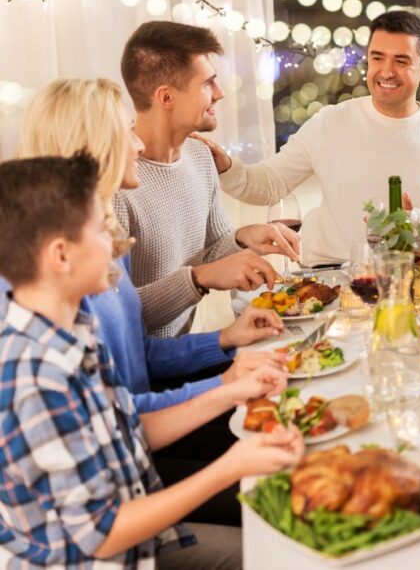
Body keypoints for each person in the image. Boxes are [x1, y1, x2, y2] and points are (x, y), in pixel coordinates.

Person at [0, 153, 304, 568]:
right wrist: (232, 466)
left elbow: (129, 422)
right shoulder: (33, 374)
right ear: (61, 256)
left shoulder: (69, 333)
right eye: (100, 230)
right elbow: (103, 535)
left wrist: (230, 389)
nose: (118, 243)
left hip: (140, 531)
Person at [13, 78, 287, 413]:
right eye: (125, 132)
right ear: (91, 148)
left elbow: (141, 354)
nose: (139, 145)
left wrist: (226, 338)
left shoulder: (106, 240)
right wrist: (225, 386)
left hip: (145, 415)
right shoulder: (63, 268)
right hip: (140, 429)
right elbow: (120, 417)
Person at [194, 10, 420, 265]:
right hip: (327, 273)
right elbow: (269, 185)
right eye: (377, 58)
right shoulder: (330, 121)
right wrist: (226, 167)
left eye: (402, 61)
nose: (386, 71)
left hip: (408, 274)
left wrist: (415, 222)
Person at [116, 21, 302, 337]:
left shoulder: (201, 157)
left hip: (186, 350)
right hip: (146, 369)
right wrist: (199, 278)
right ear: (166, 97)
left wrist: (244, 237)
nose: (220, 93)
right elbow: (118, 318)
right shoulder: (117, 180)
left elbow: (213, 251)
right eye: (207, 84)